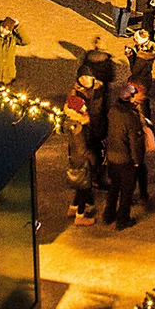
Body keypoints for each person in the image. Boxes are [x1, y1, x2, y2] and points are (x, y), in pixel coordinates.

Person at [102, 82, 147, 229]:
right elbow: (134, 141)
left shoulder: (113, 110)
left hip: (112, 157)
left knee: (114, 187)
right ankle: (122, 220)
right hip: (125, 159)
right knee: (127, 191)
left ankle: (108, 215)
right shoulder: (130, 116)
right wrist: (137, 161)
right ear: (131, 98)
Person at [66, 94, 98, 226]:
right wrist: (93, 159)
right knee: (84, 189)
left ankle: (73, 208)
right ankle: (80, 216)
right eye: (82, 107)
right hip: (82, 161)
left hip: (75, 159)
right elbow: (82, 149)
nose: (85, 108)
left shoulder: (71, 122)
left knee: (80, 185)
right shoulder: (78, 127)